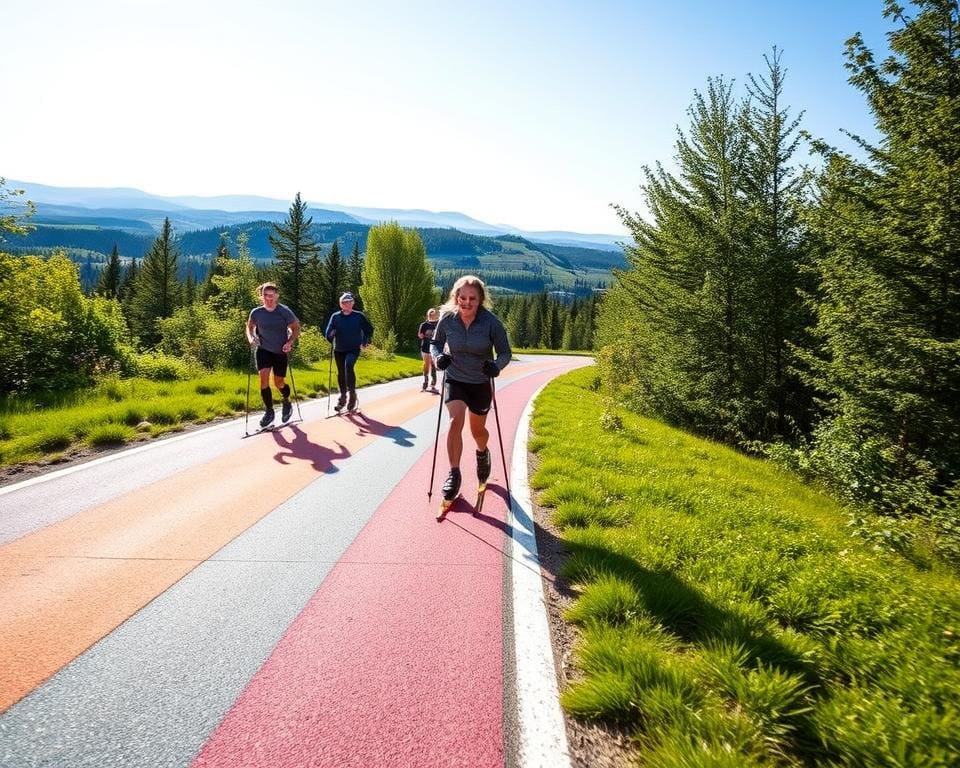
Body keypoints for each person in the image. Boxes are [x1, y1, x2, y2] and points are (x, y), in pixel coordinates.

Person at [430, 275, 511, 505]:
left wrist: (496, 366)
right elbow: (435, 345)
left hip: (480, 382)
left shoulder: (491, 322)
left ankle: (482, 452)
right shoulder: (447, 318)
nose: (466, 302)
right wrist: (439, 359)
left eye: (472, 298)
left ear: (480, 299)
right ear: (456, 297)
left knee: (478, 432)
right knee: (455, 423)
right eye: (462, 297)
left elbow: (505, 352)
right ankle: (454, 474)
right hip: (455, 378)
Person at [246, 282, 300, 428]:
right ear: (261, 296)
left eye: (271, 295)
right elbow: (250, 327)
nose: (268, 298)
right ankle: (269, 412)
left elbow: (295, 328)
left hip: (280, 351)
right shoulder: (256, 312)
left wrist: (290, 342)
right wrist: (251, 338)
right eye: (265, 295)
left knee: (279, 383)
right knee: (263, 380)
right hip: (263, 349)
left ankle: (286, 401)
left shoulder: (284, 311)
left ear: (276, 296)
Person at [324, 292, 374, 412]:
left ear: (353, 303)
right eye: (344, 302)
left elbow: (369, 329)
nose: (347, 304)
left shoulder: (359, 316)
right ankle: (342, 397)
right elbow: (328, 333)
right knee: (341, 373)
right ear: (341, 304)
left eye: (349, 302)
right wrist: (331, 335)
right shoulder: (335, 317)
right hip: (339, 349)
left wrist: (365, 341)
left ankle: (352, 395)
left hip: (353, 348)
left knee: (349, 365)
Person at [417, 308, 439, 391]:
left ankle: (433, 384)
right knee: (426, 365)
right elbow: (420, 335)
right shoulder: (424, 325)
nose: (432, 316)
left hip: (435, 348)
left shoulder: (438, 324)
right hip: (425, 347)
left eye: (434, 315)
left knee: (433, 365)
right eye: (431, 314)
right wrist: (423, 335)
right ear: (428, 315)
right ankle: (425, 383)